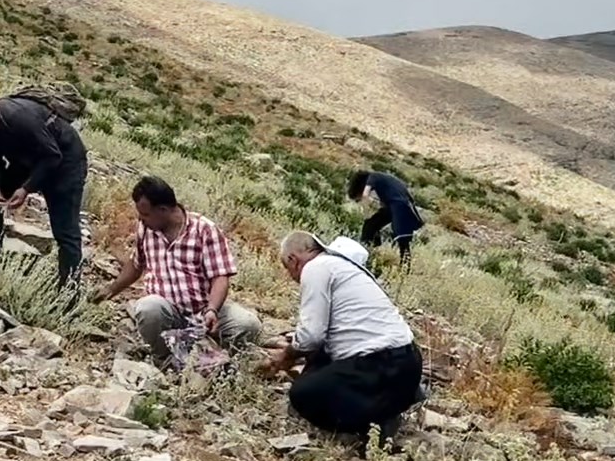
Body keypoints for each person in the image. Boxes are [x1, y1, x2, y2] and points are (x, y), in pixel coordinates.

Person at [264, 231, 423, 446]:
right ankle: (394, 401)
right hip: (409, 362)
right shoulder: (345, 268)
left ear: (293, 260)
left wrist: (286, 356)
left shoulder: (315, 267)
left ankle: (368, 424)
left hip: (379, 364)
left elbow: (312, 335)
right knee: (320, 363)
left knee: (303, 394)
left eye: (288, 268)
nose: (292, 277)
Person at [94, 176, 261, 367]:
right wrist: (111, 289)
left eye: (146, 214)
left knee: (248, 324)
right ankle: (165, 360)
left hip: (204, 309)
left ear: (163, 210)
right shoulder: (146, 229)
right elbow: (137, 264)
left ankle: (226, 363)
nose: (141, 219)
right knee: (148, 308)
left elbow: (220, 277)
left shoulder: (204, 229)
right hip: (167, 311)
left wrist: (212, 310)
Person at [0, 88, 88, 287]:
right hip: (30, 161)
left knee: (65, 231)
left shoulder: (18, 118)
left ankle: (69, 291)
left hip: (66, 163)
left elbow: (52, 156)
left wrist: (26, 188)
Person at [349, 169, 424, 264]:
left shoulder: (373, 177)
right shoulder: (382, 179)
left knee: (402, 240)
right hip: (399, 205)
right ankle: (372, 253)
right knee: (371, 225)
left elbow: (365, 195)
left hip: (400, 205)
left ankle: (404, 268)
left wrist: (366, 213)